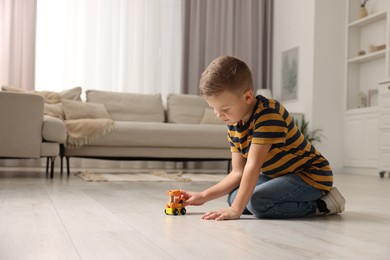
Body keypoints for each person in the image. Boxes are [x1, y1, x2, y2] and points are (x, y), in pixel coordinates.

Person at [181, 55, 346, 221]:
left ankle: (323, 205)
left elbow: (253, 166)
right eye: (214, 108)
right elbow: (238, 172)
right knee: (234, 197)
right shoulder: (233, 122)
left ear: (247, 97)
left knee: (256, 202)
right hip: (278, 175)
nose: (219, 115)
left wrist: (235, 210)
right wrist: (203, 196)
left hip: (310, 176)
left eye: (224, 108)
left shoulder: (268, 114)